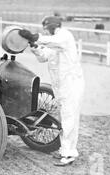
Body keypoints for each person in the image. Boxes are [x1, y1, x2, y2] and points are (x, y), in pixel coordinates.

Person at [19, 16, 85, 166]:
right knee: (65, 118)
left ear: (52, 26)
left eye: (46, 28)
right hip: (62, 86)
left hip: (72, 84)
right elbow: (44, 57)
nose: (45, 31)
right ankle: (64, 150)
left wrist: (35, 36)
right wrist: (33, 45)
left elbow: (55, 42)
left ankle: (69, 154)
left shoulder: (64, 36)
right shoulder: (54, 42)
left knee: (69, 118)